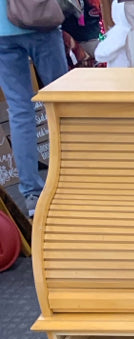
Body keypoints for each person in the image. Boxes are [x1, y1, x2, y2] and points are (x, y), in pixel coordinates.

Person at [0, 0, 67, 217]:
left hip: (1, 31)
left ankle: (32, 193)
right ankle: (75, 175)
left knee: (19, 110)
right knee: (62, 102)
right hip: (39, 19)